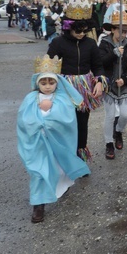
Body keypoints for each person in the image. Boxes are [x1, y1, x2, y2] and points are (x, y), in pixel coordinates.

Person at [16, 54, 90, 223]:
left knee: (57, 171)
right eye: (43, 83)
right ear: (37, 82)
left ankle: (60, 188)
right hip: (38, 145)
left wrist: (50, 113)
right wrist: (39, 119)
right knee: (39, 173)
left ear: (57, 82)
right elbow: (23, 120)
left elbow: (68, 120)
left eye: (51, 82)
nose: (47, 87)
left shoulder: (62, 99)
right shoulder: (30, 99)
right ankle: (38, 205)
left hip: (57, 145)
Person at [47, 0, 107, 162]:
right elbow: (49, 67)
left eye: (84, 31)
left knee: (82, 124)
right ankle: (64, 157)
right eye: (77, 31)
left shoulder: (90, 43)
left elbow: (98, 66)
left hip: (83, 90)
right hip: (64, 89)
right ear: (68, 28)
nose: (81, 34)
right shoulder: (58, 43)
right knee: (64, 125)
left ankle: (79, 158)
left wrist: (100, 81)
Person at [98, 10, 127, 160]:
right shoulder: (104, 43)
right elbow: (100, 62)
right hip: (109, 84)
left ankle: (118, 131)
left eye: (125, 32)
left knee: (125, 114)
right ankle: (109, 144)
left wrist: (126, 78)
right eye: (120, 31)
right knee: (109, 116)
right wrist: (113, 53)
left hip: (124, 85)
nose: (123, 34)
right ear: (113, 29)